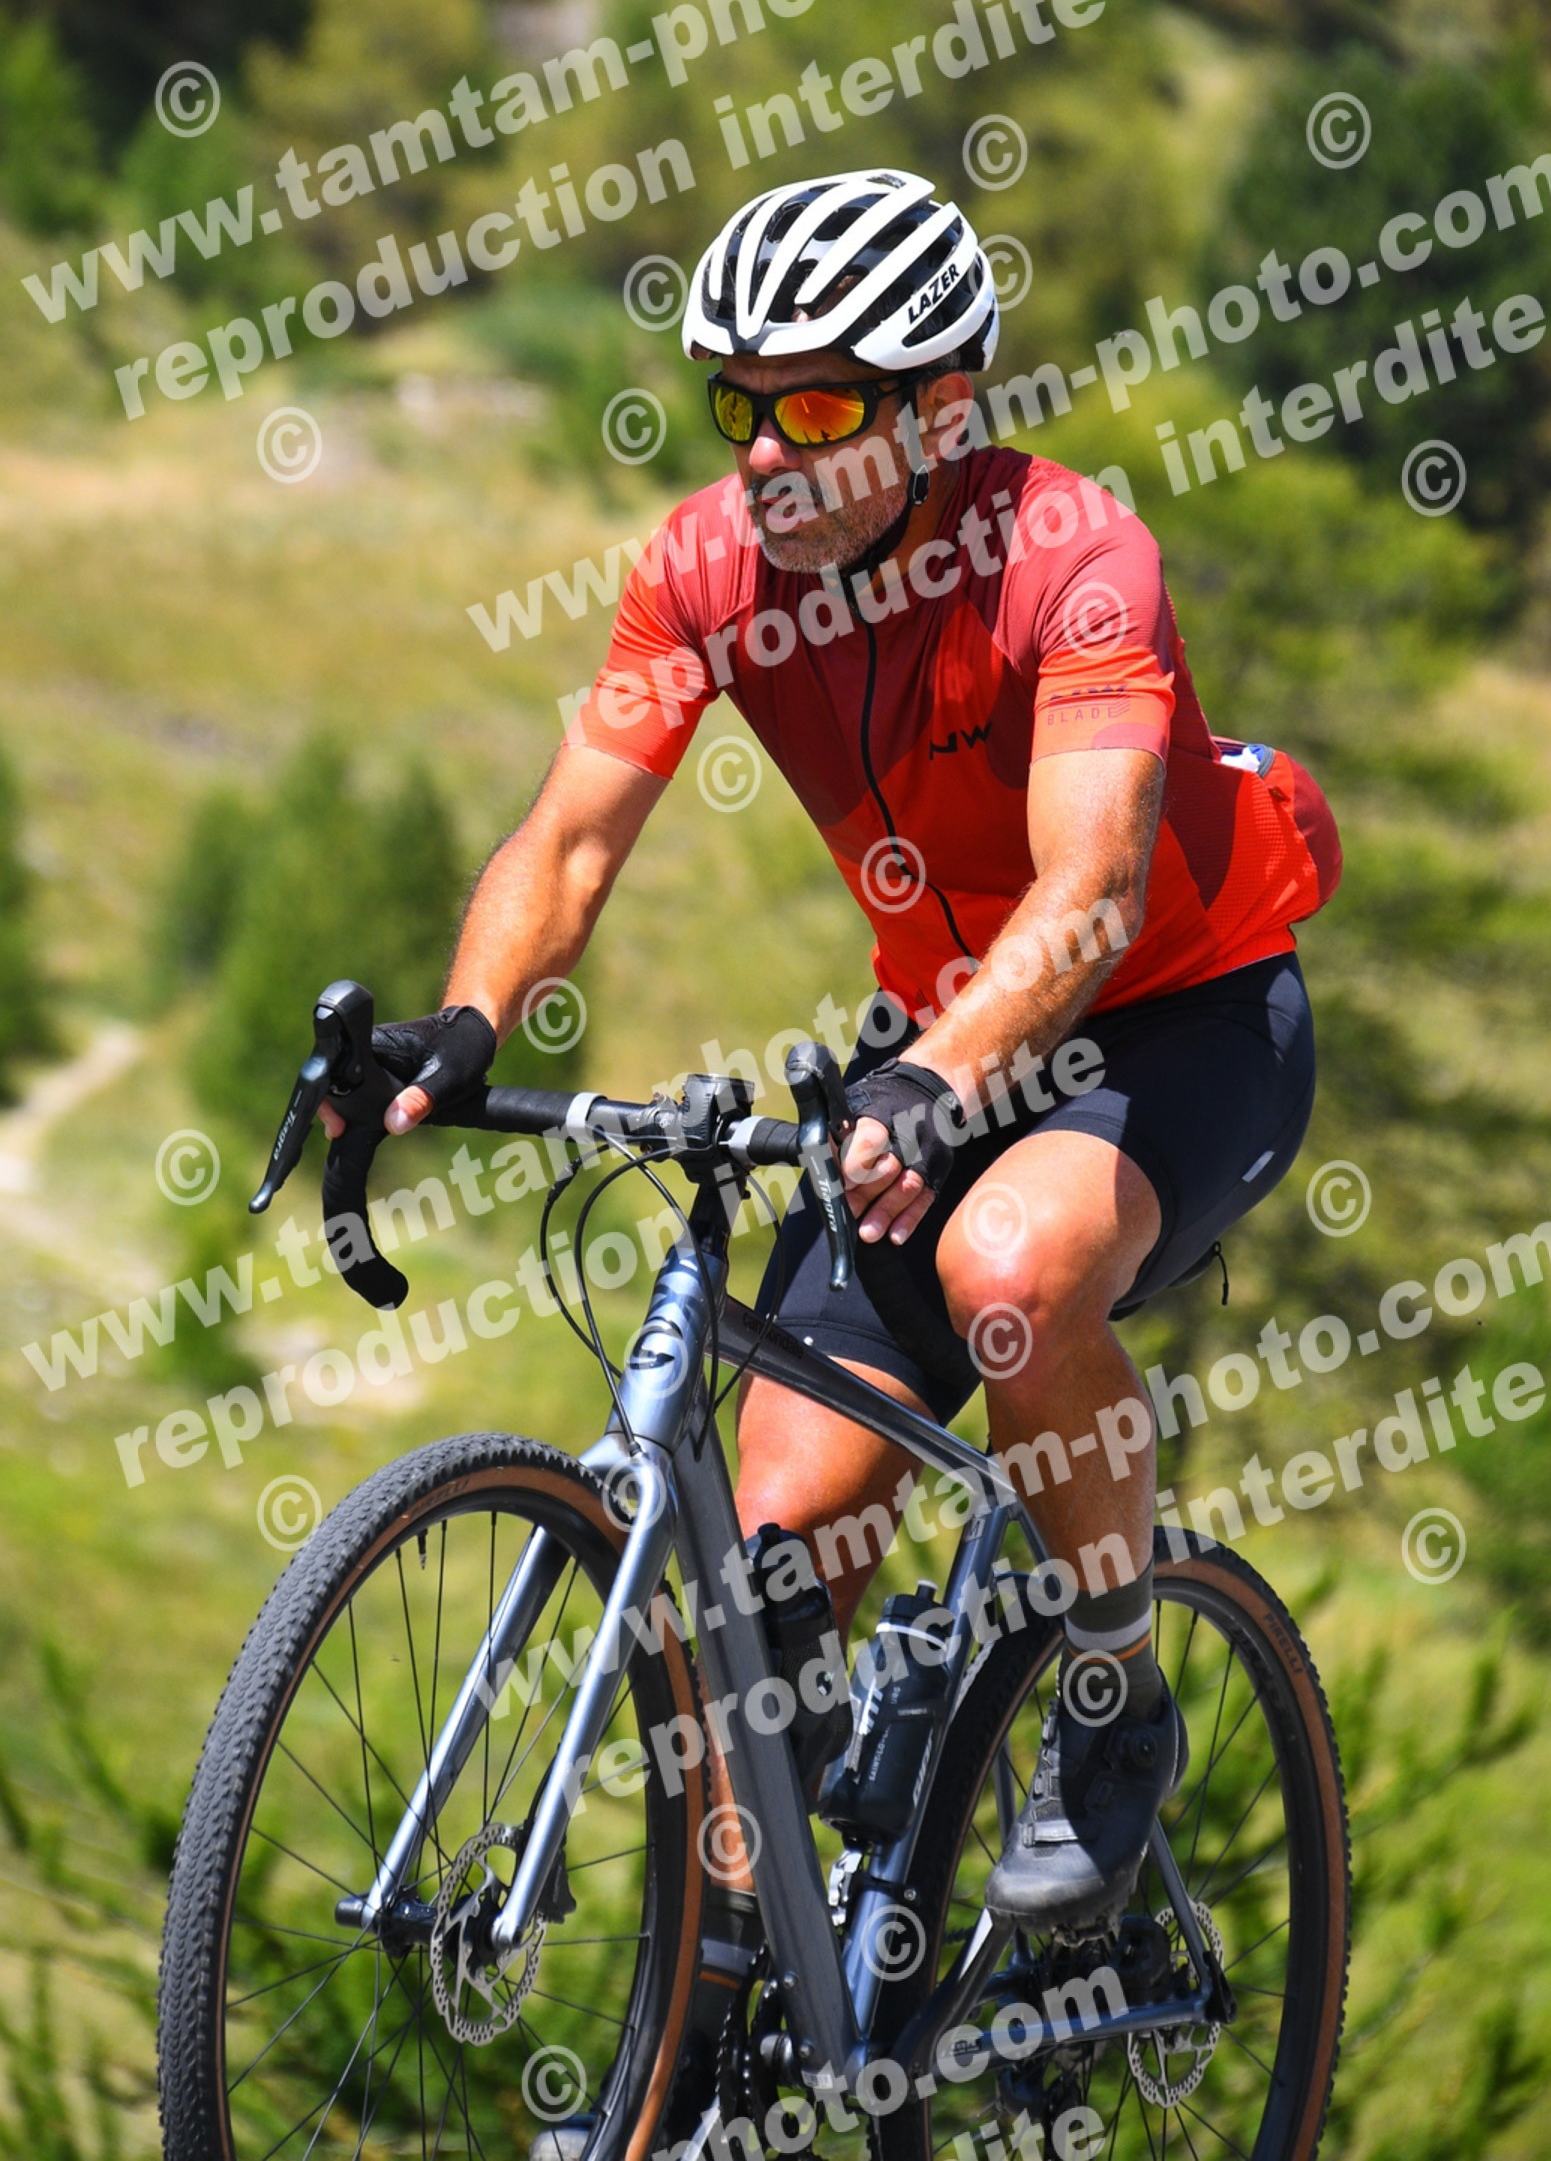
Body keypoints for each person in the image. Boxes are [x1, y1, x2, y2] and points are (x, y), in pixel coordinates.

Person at [332, 167, 1339, 2087]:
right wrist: (465, 1025)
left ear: (941, 407)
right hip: (935, 1042)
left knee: (1011, 1273)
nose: (767, 452)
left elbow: (1091, 898)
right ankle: (726, 2023)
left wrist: (941, 1082)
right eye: (741, 401)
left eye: (816, 406)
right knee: (766, 1586)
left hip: (1178, 1021)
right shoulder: (708, 565)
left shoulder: (1075, 557)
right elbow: (569, 838)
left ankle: (1114, 1696)